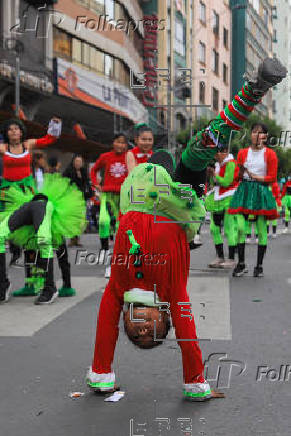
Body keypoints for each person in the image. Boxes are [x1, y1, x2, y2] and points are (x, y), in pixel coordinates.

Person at [86, 57, 287, 400]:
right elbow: (120, 326)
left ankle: (253, 92)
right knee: (199, 151)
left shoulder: (137, 288)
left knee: (200, 150)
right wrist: (195, 382)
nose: (143, 324)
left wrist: (103, 374)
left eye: (139, 328)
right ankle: (253, 91)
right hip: (165, 205)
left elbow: (178, 327)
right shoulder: (135, 287)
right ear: (158, 317)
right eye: (150, 328)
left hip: (156, 202)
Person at [87, 156, 213, 401]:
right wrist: (194, 380)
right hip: (148, 217)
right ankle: (101, 374)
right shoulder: (162, 291)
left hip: (144, 213)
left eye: (136, 333)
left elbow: (105, 326)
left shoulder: (124, 289)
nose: (142, 329)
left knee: (159, 188)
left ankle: (102, 375)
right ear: (164, 318)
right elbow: (186, 333)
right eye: (148, 333)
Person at [0, 174, 86, 304]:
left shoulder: (44, 208)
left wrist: (67, 284)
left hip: (44, 206)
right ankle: (3, 285)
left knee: (45, 240)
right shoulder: (29, 207)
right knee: (1, 234)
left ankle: (51, 287)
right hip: (29, 205)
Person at [0, 116, 62, 271]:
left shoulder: (28, 145)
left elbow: (49, 139)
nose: (14, 131)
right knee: (7, 227)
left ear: (21, 132)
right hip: (8, 193)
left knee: (30, 232)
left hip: (26, 192)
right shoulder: (2, 148)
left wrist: (54, 124)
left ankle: (33, 277)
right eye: (10, 129)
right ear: (6, 133)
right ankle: (14, 256)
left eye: (17, 129)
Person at [228, 123, 279, 277]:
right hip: (244, 191)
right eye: (254, 132)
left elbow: (272, 177)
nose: (257, 135)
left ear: (265, 137)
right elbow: (237, 176)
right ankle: (241, 263)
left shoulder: (270, 154)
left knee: (261, 229)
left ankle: (259, 266)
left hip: (260, 191)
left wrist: (255, 176)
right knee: (241, 228)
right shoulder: (243, 153)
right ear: (250, 134)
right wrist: (241, 171)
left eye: (261, 133)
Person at [90, 133, 128, 277]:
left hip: (124, 197)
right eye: (118, 142)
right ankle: (104, 249)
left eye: (123, 143)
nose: (120, 145)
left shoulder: (129, 157)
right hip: (107, 195)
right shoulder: (106, 157)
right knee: (103, 221)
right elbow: (93, 170)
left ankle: (115, 261)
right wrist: (95, 184)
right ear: (113, 143)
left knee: (120, 227)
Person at [205, 147, 239, 268]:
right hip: (217, 199)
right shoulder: (217, 165)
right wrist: (211, 175)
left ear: (227, 152)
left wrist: (215, 175)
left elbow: (226, 182)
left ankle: (231, 259)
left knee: (230, 228)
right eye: (217, 152)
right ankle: (220, 257)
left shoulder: (231, 164)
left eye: (222, 151)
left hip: (230, 198)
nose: (219, 154)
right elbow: (214, 183)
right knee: (214, 228)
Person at [63, 154, 93, 247]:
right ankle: (72, 239)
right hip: (71, 198)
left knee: (80, 219)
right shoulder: (68, 172)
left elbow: (87, 184)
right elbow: (64, 184)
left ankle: (76, 239)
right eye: (76, 161)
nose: (78, 163)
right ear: (73, 162)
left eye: (80, 162)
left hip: (81, 198)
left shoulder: (84, 172)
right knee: (73, 219)